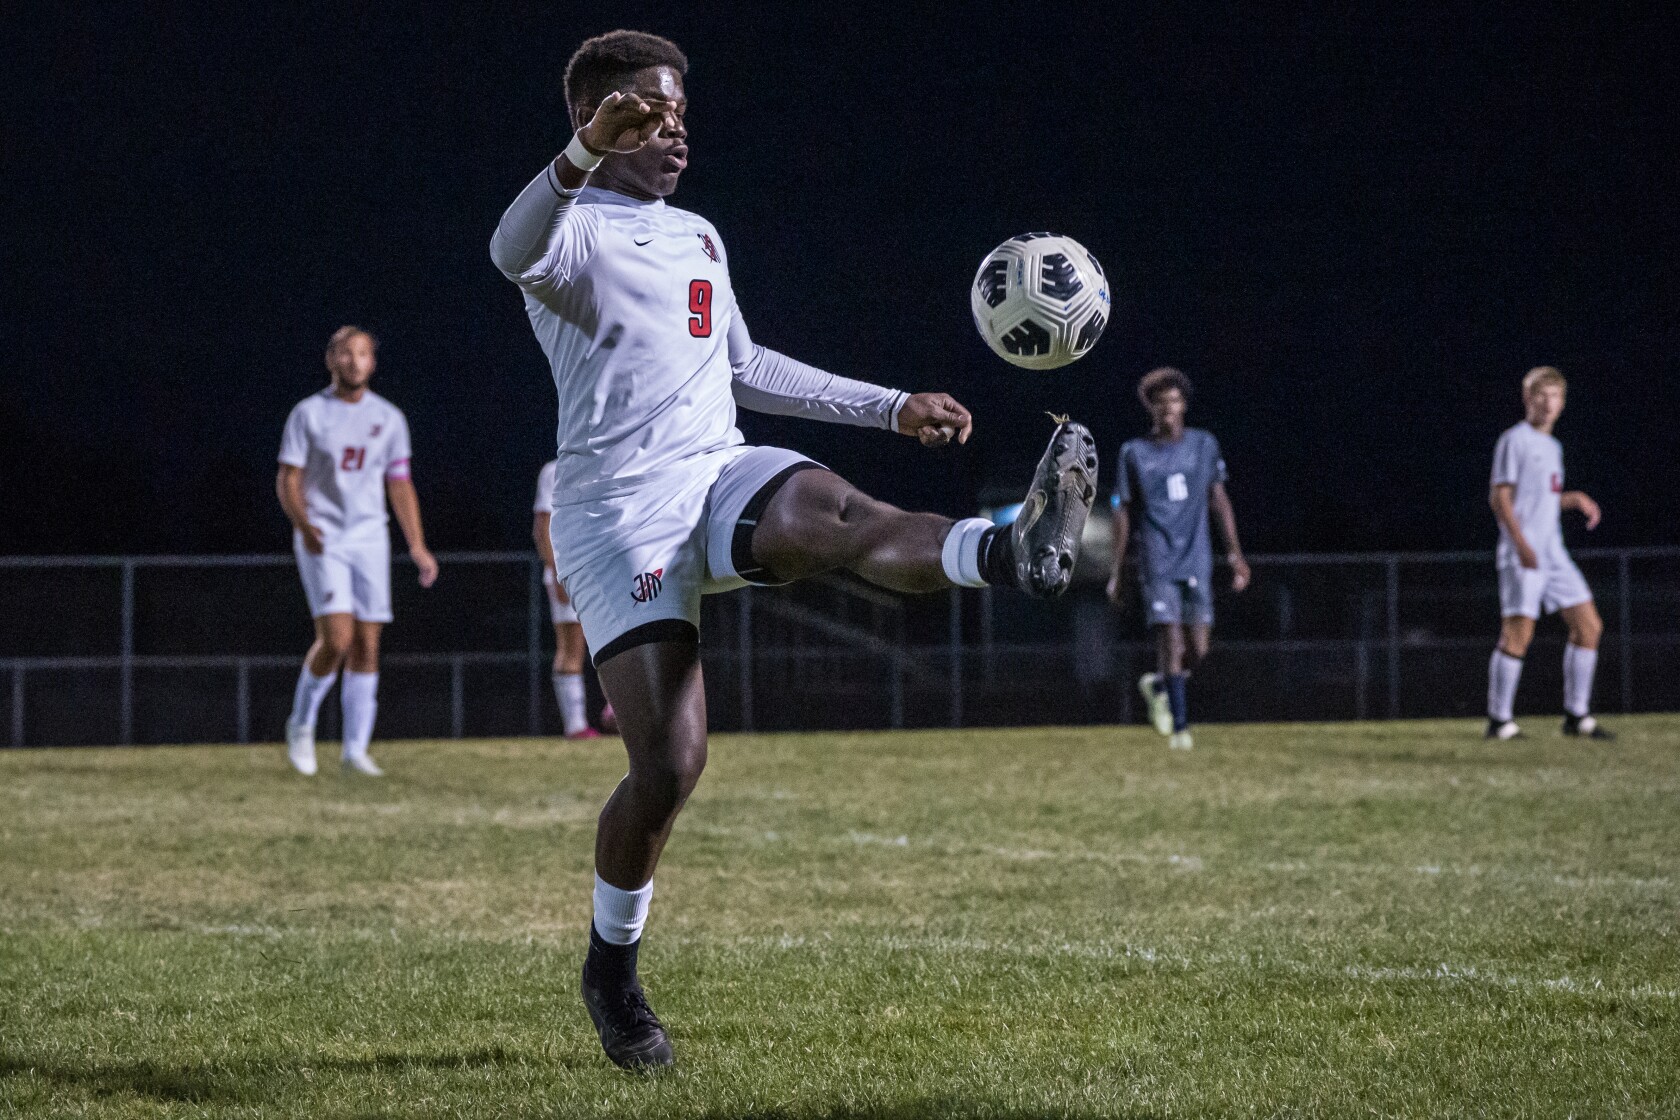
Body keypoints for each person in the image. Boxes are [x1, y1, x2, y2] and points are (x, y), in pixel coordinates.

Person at [490, 29, 1096, 1071]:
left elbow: (747, 367)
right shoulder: (570, 229)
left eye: (680, 112)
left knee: (841, 516)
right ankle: (610, 970)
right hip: (619, 515)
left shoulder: (699, 236)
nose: (673, 129)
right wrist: (582, 152)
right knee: (669, 767)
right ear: (596, 118)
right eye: (648, 112)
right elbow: (508, 249)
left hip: (718, 467)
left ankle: (1009, 552)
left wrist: (889, 405)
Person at [277, 326, 439, 776]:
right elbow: (288, 478)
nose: (354, 361)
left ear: (373, 362)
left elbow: (399, 483)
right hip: (323, 537)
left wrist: (418, 545)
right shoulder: (309, 414)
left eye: (363, 353)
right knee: (337, 639)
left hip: (369, 538)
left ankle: (355, 750)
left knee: (368, 643)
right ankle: (301, 724)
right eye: (346, 353)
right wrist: (304, 525)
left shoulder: (388, 418)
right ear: (331, 359)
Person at [1106, 368, 1249, 750]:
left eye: (1173, 401)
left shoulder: (1204, 445)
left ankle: (1159, 685)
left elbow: (1219, 500)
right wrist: (1117, 570)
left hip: (1197, 558)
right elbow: (1122, 510)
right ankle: (1180, 729)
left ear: (1183, 405)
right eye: (1160, 402)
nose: (1167, 408)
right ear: (1150, 408)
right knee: (1170, 638)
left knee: (1198, 649)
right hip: (1156, 559)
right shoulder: (1134, 452)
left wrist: (1235, 555)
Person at [1485, 366, 1612, 740]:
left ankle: (1576, 716)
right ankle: (1499, 721)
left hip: (1553, 552)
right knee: (1518, 634)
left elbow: (1541, 500)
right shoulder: (1515, 440)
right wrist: (1521, 545)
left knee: (1589, 626)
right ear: (1528, 398)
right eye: (1541, 395)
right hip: (1522, 552)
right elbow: (1500, 497)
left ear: (1563, 403)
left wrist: (1573, 499)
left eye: (1555, 396)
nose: (1548, 402)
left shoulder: (1553, 447)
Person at [533, 458, 613, 739]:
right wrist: (557, 572)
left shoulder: (607, 461)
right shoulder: (554, 470)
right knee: (572, 647)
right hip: (570, 569)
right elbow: (542, 526)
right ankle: (575, 725)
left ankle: (618, 707)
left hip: (604, 568)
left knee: (615, 638)